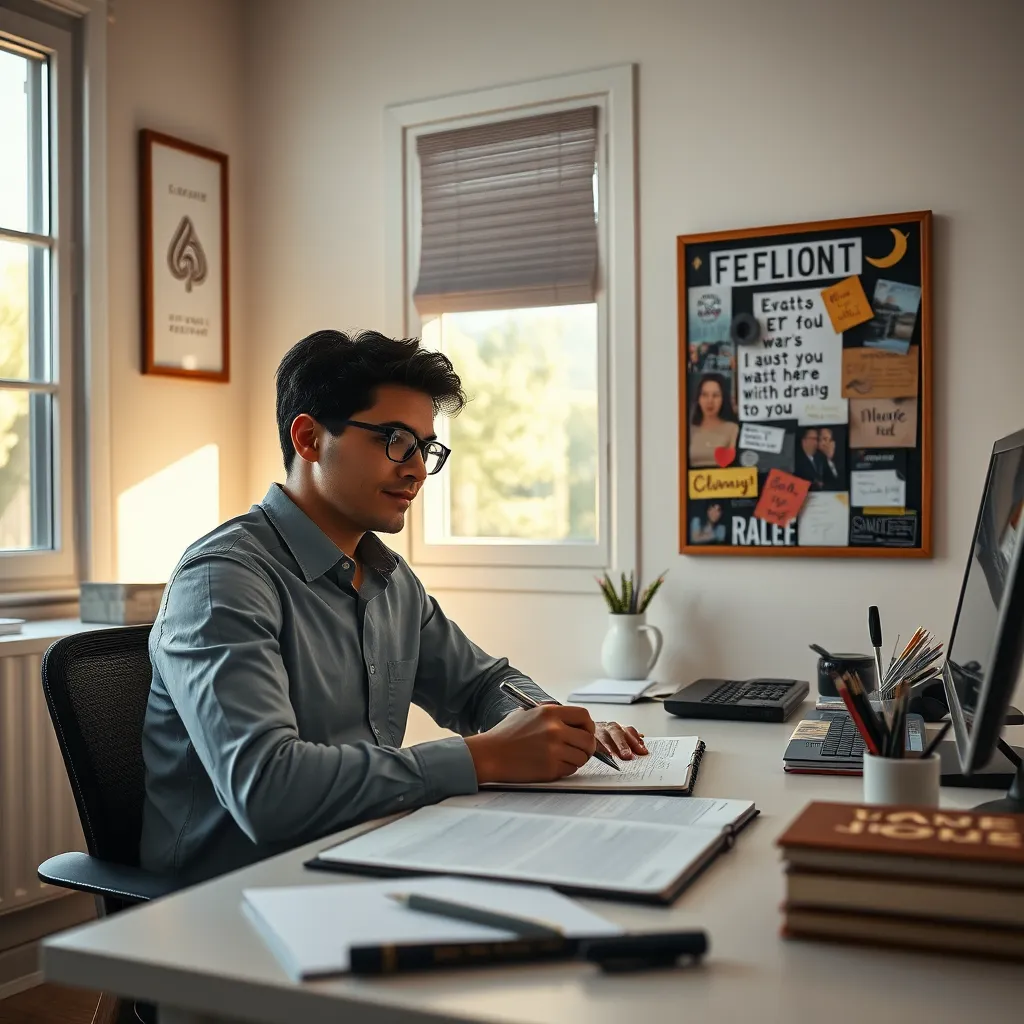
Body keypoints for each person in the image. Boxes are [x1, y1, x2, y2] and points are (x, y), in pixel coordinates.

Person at [139, 330, 648, 883]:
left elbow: (481, 686)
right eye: (396, 440)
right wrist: (486, 756)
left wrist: (552, 727)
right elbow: (267, 789)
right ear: (309, 438)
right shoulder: (222, 581)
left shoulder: (388, 579)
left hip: (370, 856)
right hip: (239, 899)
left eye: (425, 448)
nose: (418, 469)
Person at [688, 373, 739, 468]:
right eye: (704, 395)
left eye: (715, 395)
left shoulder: (732, 429)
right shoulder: (688, 430)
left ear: (723, 399)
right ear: (698, 399)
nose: (710, 401)